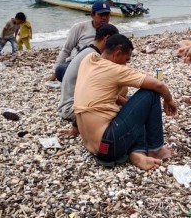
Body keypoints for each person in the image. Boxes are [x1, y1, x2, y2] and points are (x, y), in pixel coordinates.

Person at [74, 34, 177, 170]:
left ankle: (137, 152)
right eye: (126, 59)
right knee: (151, 93)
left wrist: (127, 104)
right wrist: (169, 100)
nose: (126, 64)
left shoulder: (89, 60)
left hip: (94, 148)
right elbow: (159, 85)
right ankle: (156, 149)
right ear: (117, 54)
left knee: (132, 106)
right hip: (110, 144)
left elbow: (99, 94)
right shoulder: (116, 70)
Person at [58, 23, 119, 137]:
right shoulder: (93, 57)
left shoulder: (88, 50)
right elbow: (95, 93)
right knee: (121, 112)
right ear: (107, 39)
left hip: (68, 105)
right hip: (71, 109)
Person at [49, 0, 111, 82]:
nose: (104, 18)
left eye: (106, 15)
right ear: (92, 15)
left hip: (98, 65)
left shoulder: (111, 30)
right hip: (76, 63)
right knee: (61, 70)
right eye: (101, 15)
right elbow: (66, 50)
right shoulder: (79, 28)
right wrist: (54, 73)